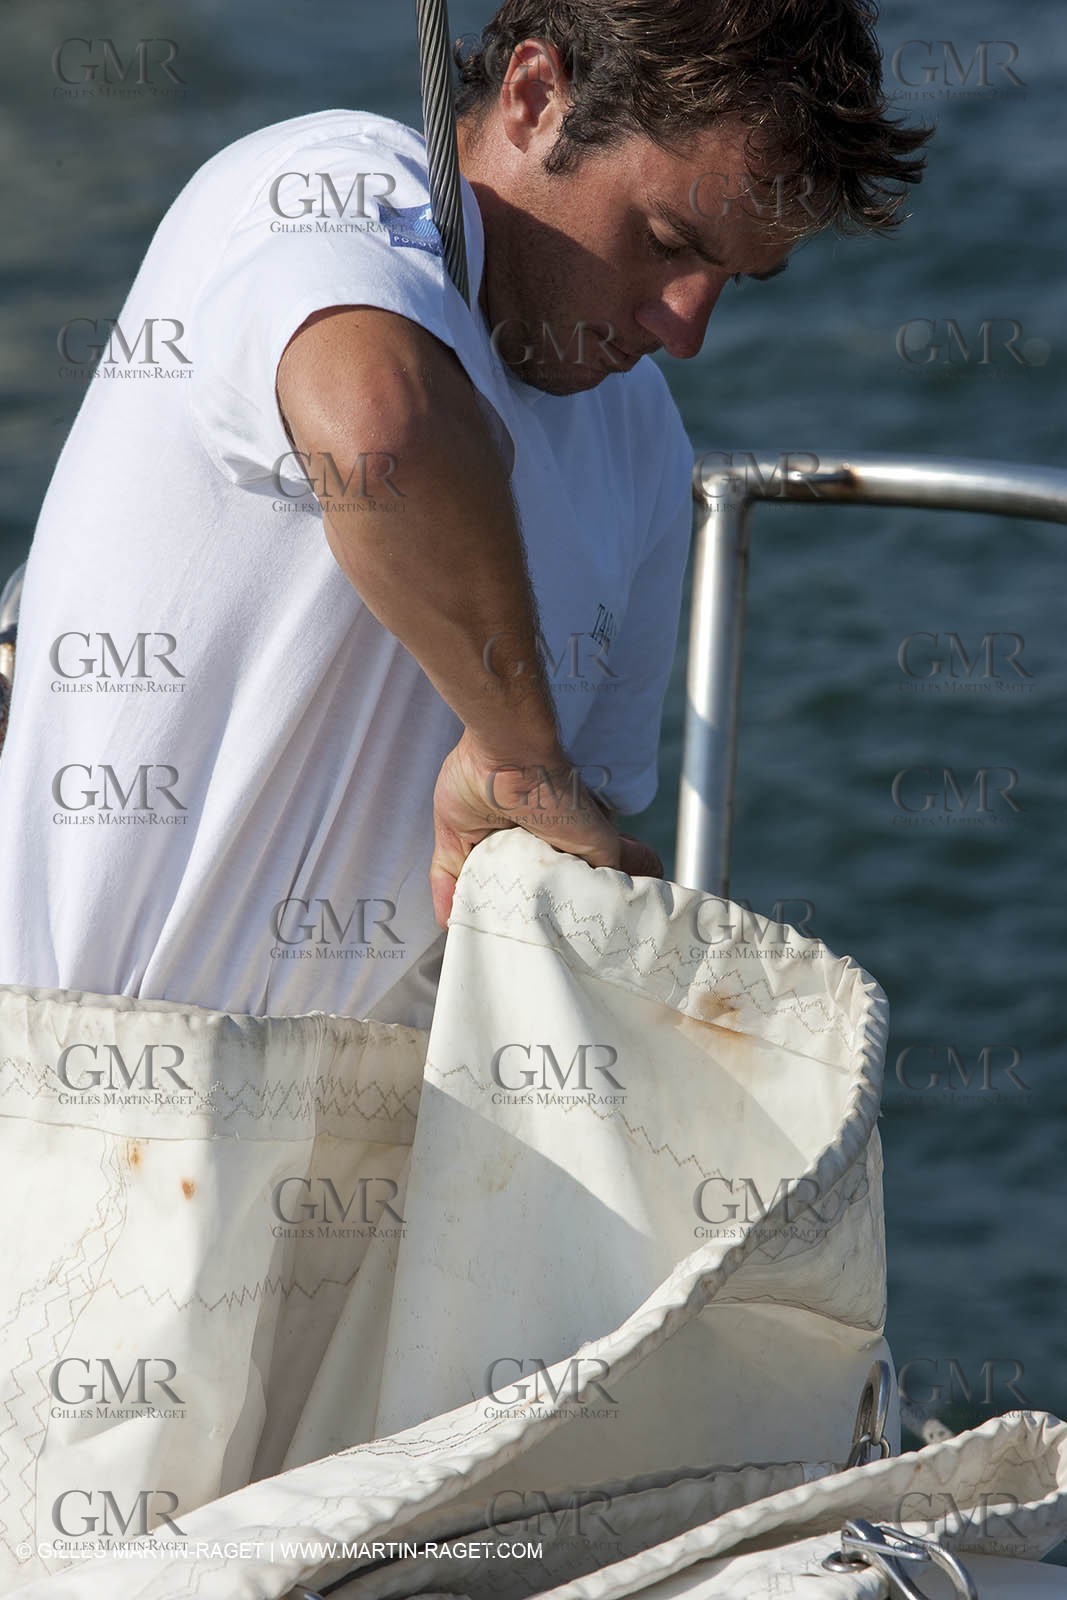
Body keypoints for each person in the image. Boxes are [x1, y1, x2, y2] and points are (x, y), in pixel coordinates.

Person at [0, 0, 927, 1029]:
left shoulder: (643, 446)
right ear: (533, 96)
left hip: (363, 1141)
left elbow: (573, 839)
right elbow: (380, 434)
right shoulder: (328, 193)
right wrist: (520, 759)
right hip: (64, 1088)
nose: (686, 325)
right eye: (666, 240)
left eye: (733, 282)